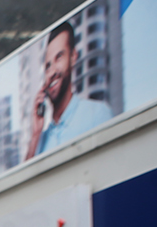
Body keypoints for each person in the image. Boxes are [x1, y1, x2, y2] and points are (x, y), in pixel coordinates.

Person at [26, 21, 113, 159]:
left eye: (59, 57)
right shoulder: (40, 140)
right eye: (48, 66)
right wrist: (36, 134)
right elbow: (26, 180)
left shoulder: (97, 114)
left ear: (73, 57)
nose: (52, 71)